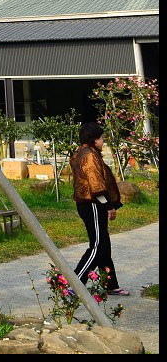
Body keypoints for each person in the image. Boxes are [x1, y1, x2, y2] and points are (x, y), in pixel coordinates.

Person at [70, 120, 128, 295]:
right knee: (97, 246)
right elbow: (96, 185)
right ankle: (75, 284)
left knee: (104, 245)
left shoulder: (82, 152)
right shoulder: (90, 155)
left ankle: (110, 284)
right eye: (102, 138)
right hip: (93, 204)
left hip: (90, 204)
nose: (103, 141)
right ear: (94, 139)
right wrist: (109, 206)